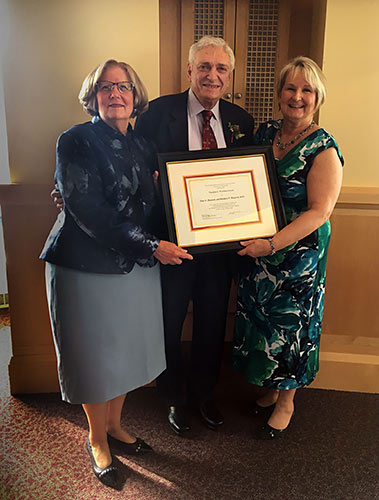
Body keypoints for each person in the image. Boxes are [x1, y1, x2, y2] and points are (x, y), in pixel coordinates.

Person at [40, 59, 192, 488]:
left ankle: (116, 425)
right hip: (84, 264)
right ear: (93, 96)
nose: (115, 94)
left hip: (135, 267)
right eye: (105, 87)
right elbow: (91, 213)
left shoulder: (143, 145)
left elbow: (152, 204)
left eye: (123, 86)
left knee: (124, 352)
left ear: (135, 94)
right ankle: (96, 438)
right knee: (93, 356)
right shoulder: (75, 140)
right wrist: (153, 246)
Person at [135, 36, 254, 435]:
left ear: (229, 75)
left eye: (221, 69)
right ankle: (172, 399)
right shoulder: (155, 115)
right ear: (189, 71)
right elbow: (135, 172)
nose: (212, 75)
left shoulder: (241, 120)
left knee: (210, 322)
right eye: (204, 66)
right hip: (172, 244)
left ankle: (204, 395)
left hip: (221, 248)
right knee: (168, 322)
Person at [233, 56, 343, 439]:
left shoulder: (324, 148)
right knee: (263, 322)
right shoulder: (264, 134)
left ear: (318, 97)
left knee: (293, 325)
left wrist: (273, 244)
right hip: (258, 251)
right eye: (290, 88)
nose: (297, 97)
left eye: (307, 90)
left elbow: (319, 212)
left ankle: (286, 402)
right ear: (280, 93)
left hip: (298, 254)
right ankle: (270, 387)